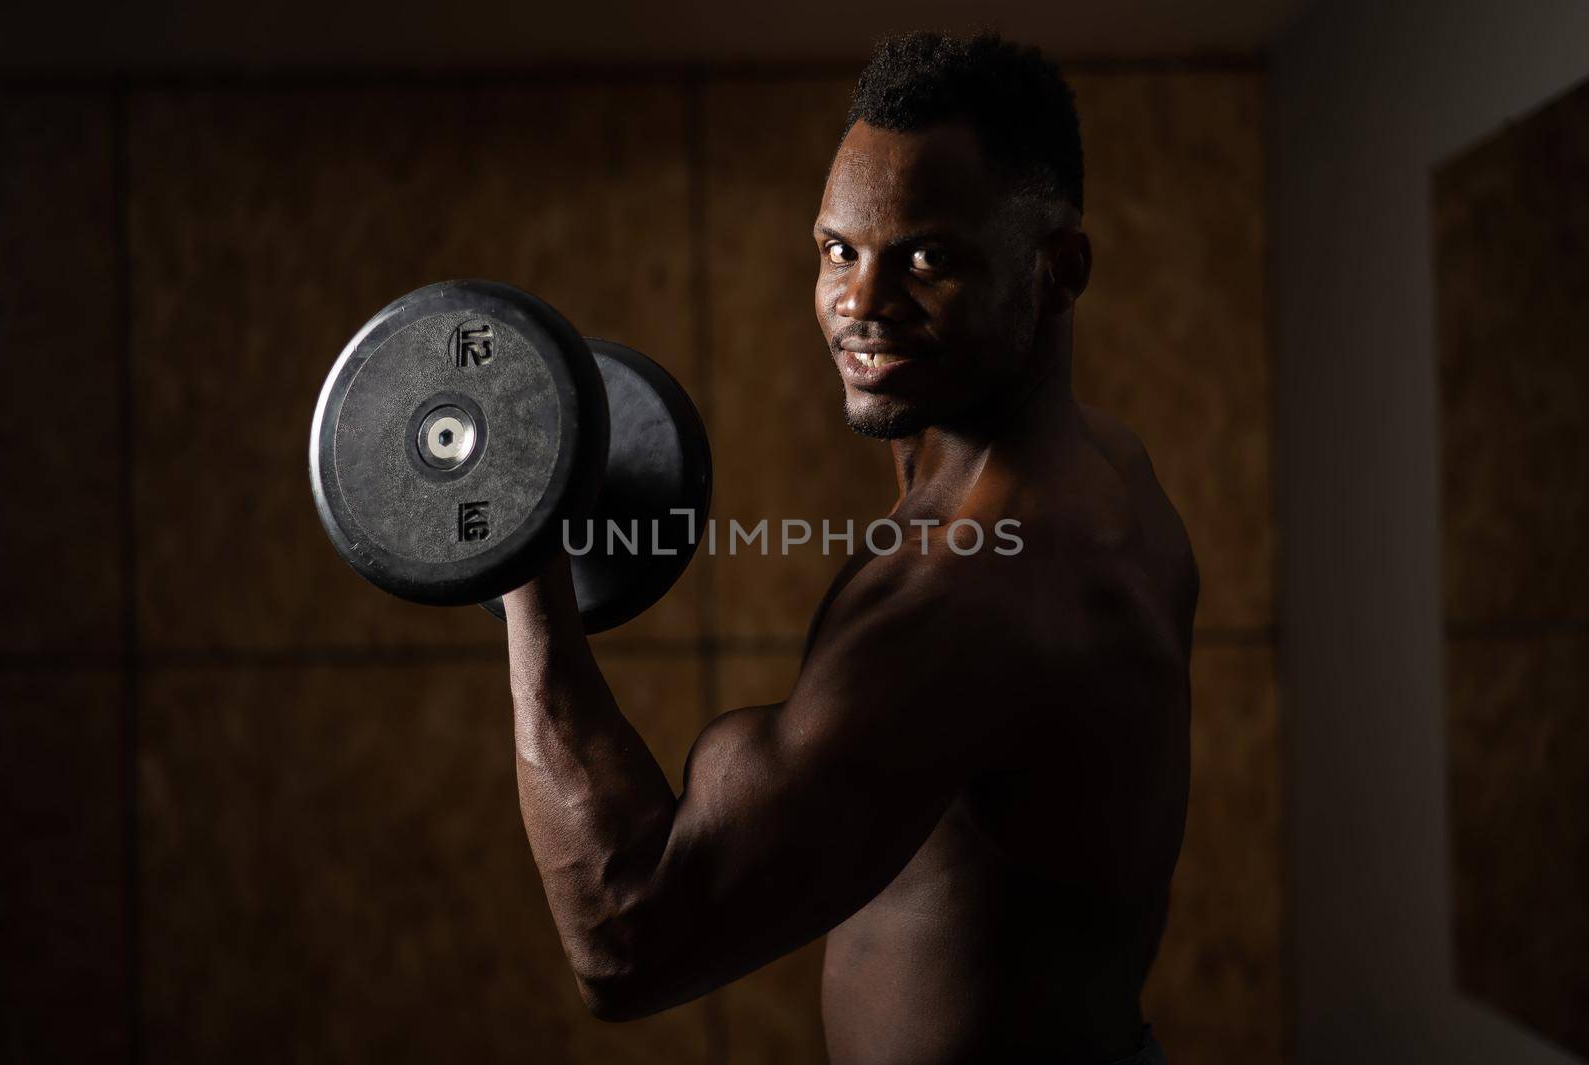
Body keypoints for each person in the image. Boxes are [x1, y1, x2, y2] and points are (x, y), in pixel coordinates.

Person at [502, 30, 1195, 1065]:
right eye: (837, 251)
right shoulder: (1104, 466)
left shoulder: (966, 593)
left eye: (927, 257)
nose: (858, 305)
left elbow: (624, 942)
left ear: (1061, 268)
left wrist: (518, 555)